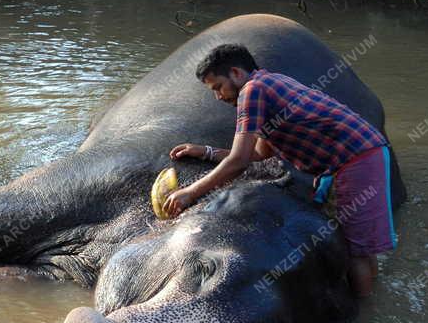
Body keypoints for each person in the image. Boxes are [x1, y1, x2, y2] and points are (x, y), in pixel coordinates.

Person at [163, 43, 397, 297]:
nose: (218, 96)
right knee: (359, 247)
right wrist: (205, 151)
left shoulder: (252, 91)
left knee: (357, 250)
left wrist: (191, 192)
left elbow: (240, 160)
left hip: (356, 159)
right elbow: (258, 154)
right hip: (357, 156)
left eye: (218, 87)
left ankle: (365, 317)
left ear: (236, 73)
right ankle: (370, 297)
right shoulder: (270, 84)